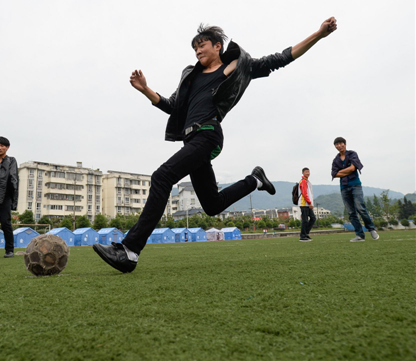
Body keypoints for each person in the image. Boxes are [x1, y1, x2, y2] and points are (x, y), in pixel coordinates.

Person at [93, 17, 338, 273]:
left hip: (208, 134)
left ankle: (130, 250)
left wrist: (318, 34)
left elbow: (281, 58)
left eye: (202, 45)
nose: (197, 50)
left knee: (162, 176)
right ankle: (255, 180)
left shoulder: (238, 66)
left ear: (217, 46)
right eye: (194, 48)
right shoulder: (191, 77)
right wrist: (145, 89)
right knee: (212, 205)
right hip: (191, 139)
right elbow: (173, 107)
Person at [331, 137, 379, 242]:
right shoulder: (336, 160)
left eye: (341, 143)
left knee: (360, 208)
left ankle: (371, 229)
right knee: (351, 212)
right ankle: (360, 235)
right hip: (344, 188)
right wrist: (347, 170)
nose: (339, 146)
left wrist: (342, 172)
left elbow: (353, 168)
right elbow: (334, 174)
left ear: (345, 144)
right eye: (337, 144)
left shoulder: (352, 154)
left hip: (355, 185)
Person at [299, 167, 316, 242]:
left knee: (313, 218)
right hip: (304, 204)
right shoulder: (303, 181)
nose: (308, 173)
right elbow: (304, 193)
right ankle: (302, 236)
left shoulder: (307, 181)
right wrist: (309, 202)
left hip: (308, 204)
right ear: (303, 173)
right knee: (305, 220)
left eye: (308, 172)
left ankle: (305, 234)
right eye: (306, 172)